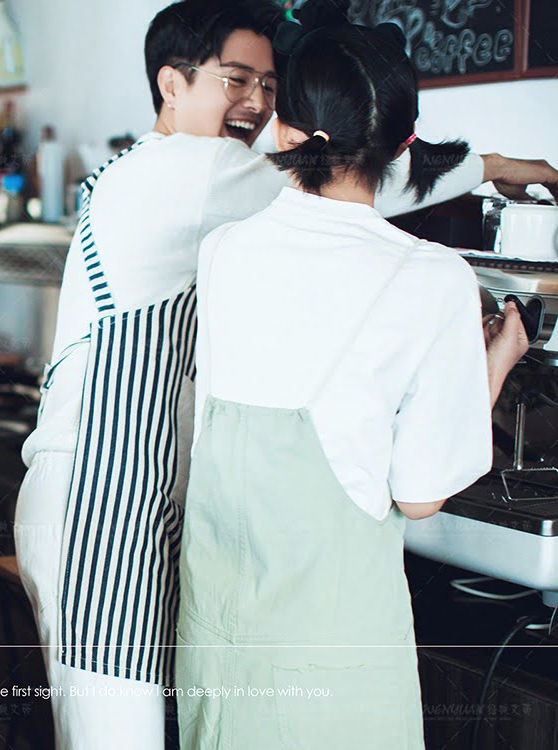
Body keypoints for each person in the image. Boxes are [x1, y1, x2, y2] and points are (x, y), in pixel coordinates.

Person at [14, 1, 558, 748]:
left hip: (162, 514)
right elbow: (354, 178)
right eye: (236, 79)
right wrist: (498, 170)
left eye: (271, 87)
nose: (256, 102)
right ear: (171, 84)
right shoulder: (197, 172)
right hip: (101, 507)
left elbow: (341, 174)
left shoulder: (218, 228)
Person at [175, 6, 534, 749]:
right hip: (332, 660)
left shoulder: (223, 251)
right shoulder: (432, 277)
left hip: (218, 646)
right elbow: (420, 494)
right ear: (405, 147)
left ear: (283, 130)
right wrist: (496, 361)